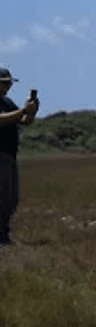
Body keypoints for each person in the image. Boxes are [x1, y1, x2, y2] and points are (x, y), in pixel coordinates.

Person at [0, 67, 40, 248]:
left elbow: (23, 121)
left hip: (9, 155)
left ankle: (3, 236)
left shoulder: (7, 102)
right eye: (4, 82)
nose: (7, 86)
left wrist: (31, 110)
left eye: (9, 82)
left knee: (10, 198)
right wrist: (23, 110)